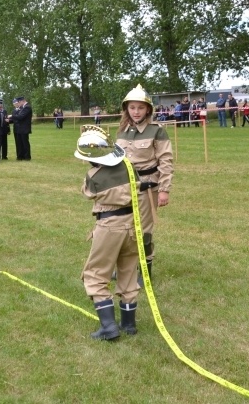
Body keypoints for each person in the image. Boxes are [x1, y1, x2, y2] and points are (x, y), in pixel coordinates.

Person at [75, 125, 141, 340]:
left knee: (95, 275)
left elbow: (88, 193)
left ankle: (108, 327)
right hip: (133, 223)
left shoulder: (94, 176)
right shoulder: (129, 167)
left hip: (109, 226)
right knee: (129, 271)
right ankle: (128, 325)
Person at [115, 84, 173, 285]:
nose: (136, 112)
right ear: (126, 109)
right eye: (132, 108)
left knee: (144, 231)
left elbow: (166, 161)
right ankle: (125, 269)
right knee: (123, 228)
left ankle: (145, 272)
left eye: (140, 108)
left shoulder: (157, 131)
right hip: (123, 188)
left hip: (148, 188)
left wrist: (164, 190)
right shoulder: (122, 131)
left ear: (148, 109)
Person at [8, 95, 32, 160]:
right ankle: (21, 156)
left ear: (22, 101)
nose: (18, 104)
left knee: (25, 143)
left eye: (19, 102)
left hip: (24, 128)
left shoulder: (27, 107)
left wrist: (11, 116)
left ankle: (27, 156)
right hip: (19, 128)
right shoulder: (22, 108)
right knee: (20, 143)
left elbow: (21, 117)